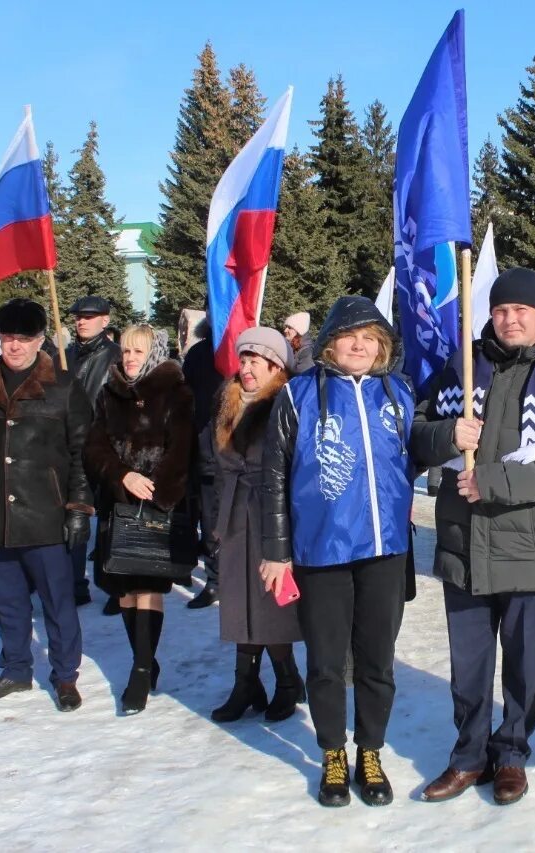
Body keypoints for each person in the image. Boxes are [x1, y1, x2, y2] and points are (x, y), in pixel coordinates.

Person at [412, 268, 535, 806]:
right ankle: (469, 755)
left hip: (530, 547)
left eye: (521, 310)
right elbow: (418, 428)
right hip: (462, 544)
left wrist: (493, 481)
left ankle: (512, 752)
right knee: (468, 665)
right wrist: (447, 434)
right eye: (500, 310)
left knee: (523, 664)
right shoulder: (462, 365)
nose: (510, 318)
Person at [262, 296, 416, 808]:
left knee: (377, 662)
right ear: (330, 341)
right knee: (327, 663)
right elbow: (275, 478)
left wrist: (450, 438)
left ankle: (369, 750)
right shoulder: (298, 395)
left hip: (384, 549)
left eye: (370, 338)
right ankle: (333, 753)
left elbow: (414, 453)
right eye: (351, 336)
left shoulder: (398, 394)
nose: (359, 345)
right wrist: (277, 550)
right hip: (320, 549)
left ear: (383, 347)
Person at [0, 299, 93, 711]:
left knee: (57, 602)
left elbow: (83, 452)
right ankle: (16, 668)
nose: (13, 347)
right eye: (7, 338)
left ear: (39, 341)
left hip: (47, 512)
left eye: (23, 339)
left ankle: (65, 676)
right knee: (9, 601)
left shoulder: (63, 387)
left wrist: (78, 507)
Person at [84, 325, 194, 715]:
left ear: (153, 353)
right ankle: (145, 659)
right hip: (117, 504)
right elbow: (93, 446)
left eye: (138, 351)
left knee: (148, 586)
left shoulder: (175, 393)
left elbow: (183, 451)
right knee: (124, 589)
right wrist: (120, 476)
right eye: (126, 351)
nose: (129, 358)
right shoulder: (109, 393)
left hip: (157, 508)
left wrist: (159, 491)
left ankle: (141, 669)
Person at [209, 327, 304, 723]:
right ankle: (245, 682)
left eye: (256, 361)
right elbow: (208, 457)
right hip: (233, 515)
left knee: (270, 604)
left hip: (271, 515)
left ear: (275, 366)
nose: (246, 369)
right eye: (243, 360)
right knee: (238, 604)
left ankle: (286, 680)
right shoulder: (226, 401)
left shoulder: (288, 403)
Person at [65, 294, 121, 610]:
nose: (82, 321)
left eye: (89, 316)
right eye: (78, 316)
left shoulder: (115, 356)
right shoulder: (66, 354)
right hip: (72, 448)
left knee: (111, 519)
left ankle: (116, 585)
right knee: (76, 514)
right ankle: (75, 584)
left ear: (104, 320)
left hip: (105, 446)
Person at [182, 319, 224, 610]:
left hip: (246, 457)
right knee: (211, 524)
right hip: (208, 452)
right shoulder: (198, 354)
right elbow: (186, 400)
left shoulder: (247, 349)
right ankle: (215, 580)